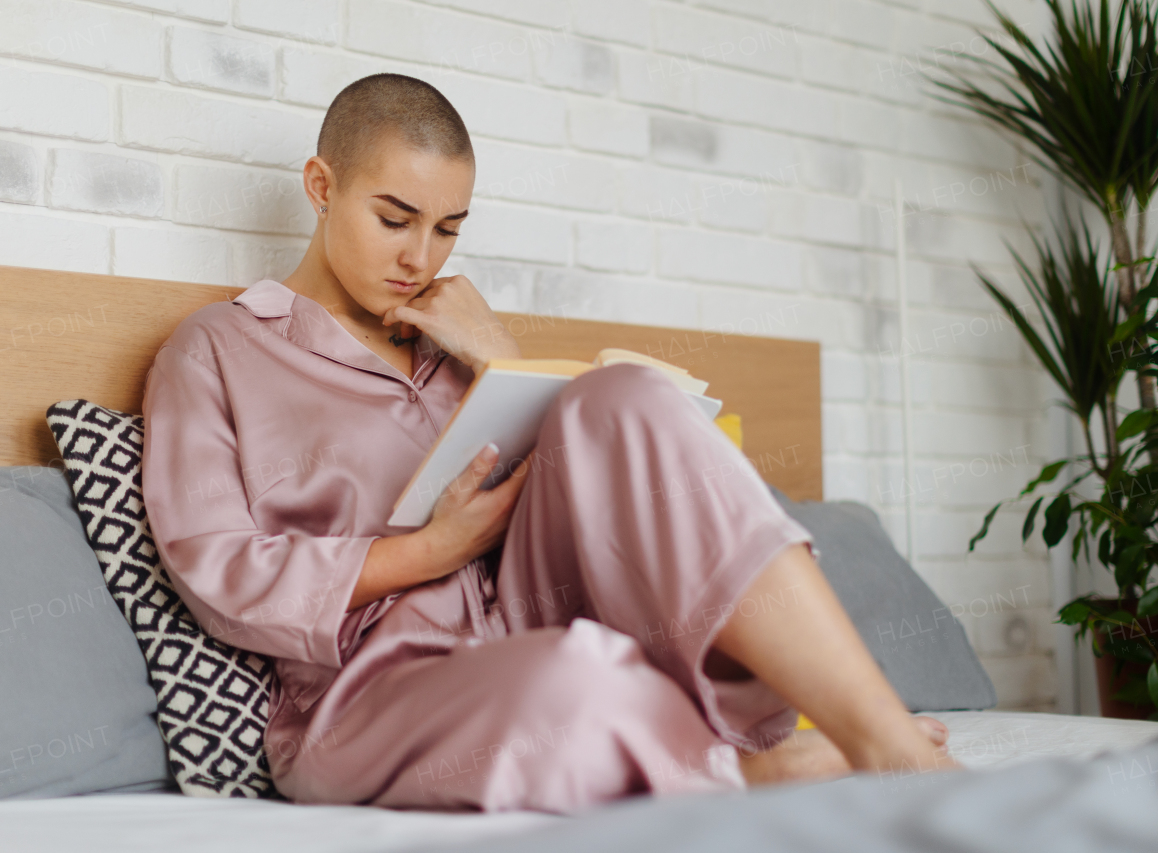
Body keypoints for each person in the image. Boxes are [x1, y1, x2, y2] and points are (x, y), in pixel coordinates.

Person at [140, 73, 955, 813]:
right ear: (321, 186)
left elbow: (593, 483)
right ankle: (745, 773)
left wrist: (500, 356)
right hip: (377, 692)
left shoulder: (451, 338)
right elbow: (220, 569)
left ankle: (884, 735)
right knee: (574, 679)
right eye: (394, 219)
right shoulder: (214, 350)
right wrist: (427, 551)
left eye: (447, 229)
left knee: (624, 395)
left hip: (540, 609)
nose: (418, 257)